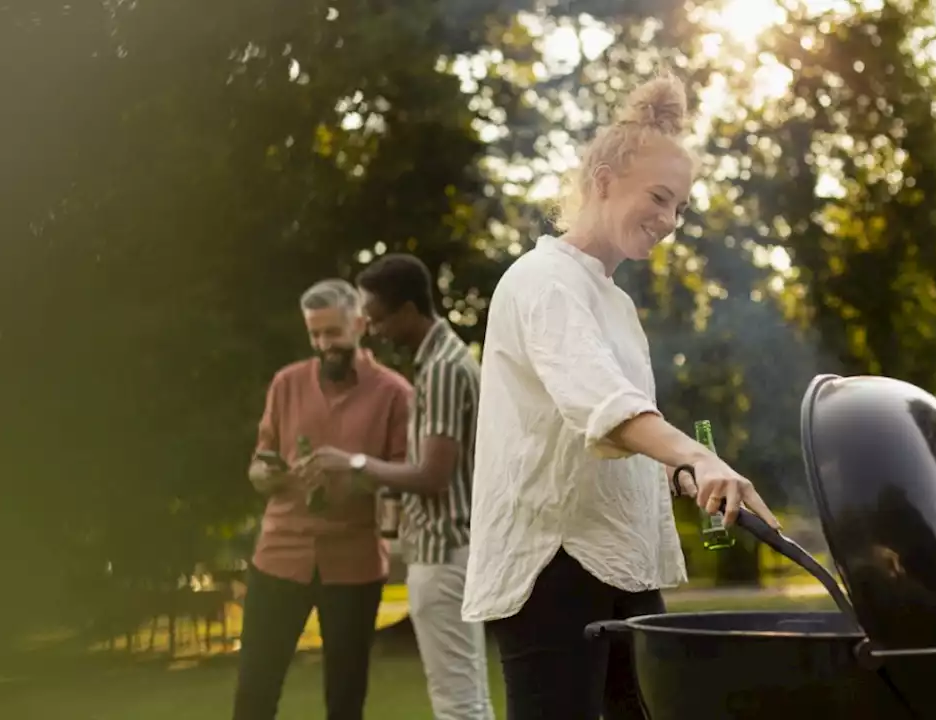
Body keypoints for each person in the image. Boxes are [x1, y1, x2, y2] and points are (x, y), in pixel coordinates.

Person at [459, 73, 782, 720]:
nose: (668, 221)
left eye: (680, 208)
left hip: (617, 559)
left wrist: (681, 471)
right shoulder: (544, 281)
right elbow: (601, 403)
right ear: (603, 180)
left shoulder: (612, 301)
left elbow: (613, 431)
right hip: (553, 564)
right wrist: (696, 454)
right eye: (658, 198)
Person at [308, 253, 494, 720]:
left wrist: (353, 462)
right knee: (466, 697)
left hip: (444, 553)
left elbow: (432, 475)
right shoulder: (437, 362)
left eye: (377, 318)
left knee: (458, 702)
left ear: (409, 310)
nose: (373, 330)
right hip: (441, 551)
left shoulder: (445, 369)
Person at [233, 279, 413, 720]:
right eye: (314, 334)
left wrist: (352, 469)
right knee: (254, 691)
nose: (322, 344)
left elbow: (404, 478)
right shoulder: (285, 384)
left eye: (332, 333)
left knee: (345, 700)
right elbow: (258, 464)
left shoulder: (394, 394)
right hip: (279, 554)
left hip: (353, 563)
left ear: (359, 324)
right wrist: (267, 474)